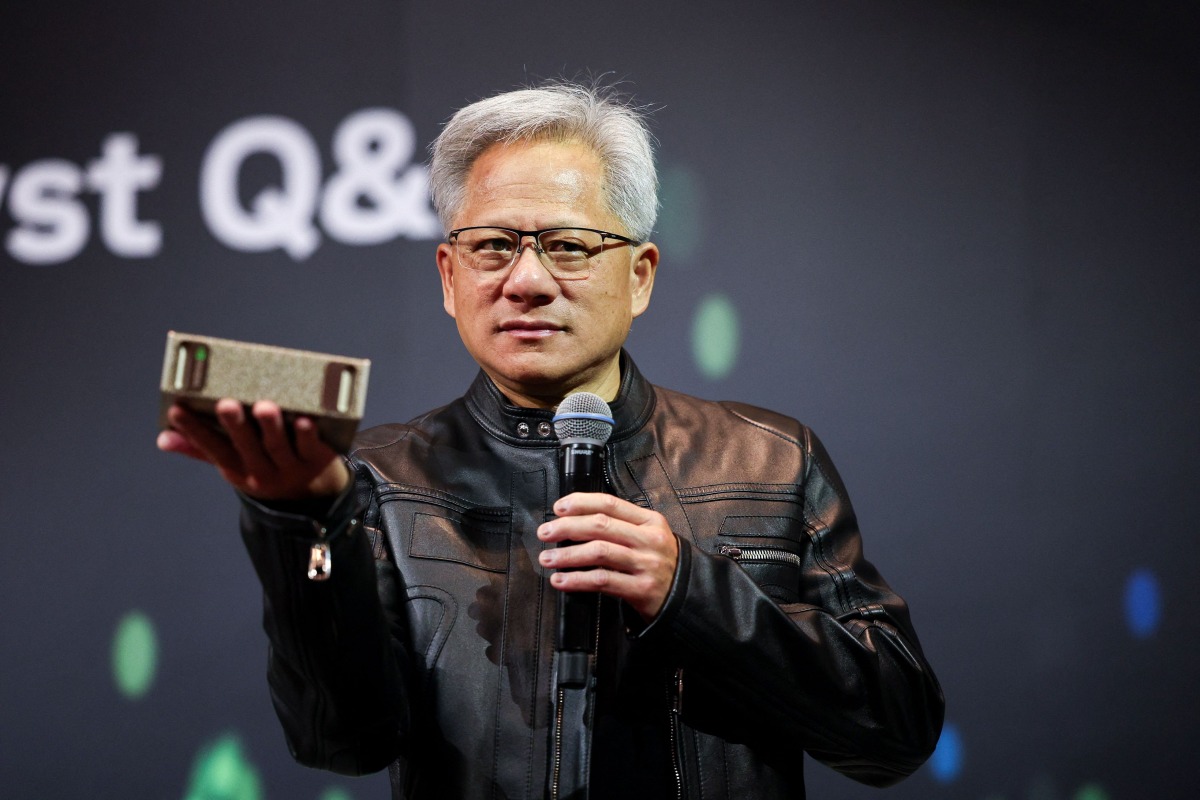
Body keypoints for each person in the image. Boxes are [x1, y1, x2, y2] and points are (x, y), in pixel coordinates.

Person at [158, 81, 944, 800]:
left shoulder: (770, 459)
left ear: (640, 275)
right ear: (448, 276)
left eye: (568, 245)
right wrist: (306, 521)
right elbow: (342, 742)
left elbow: (896, 734)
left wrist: (690, 593)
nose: (526, 280)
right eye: (493, 246)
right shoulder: (379, 477)